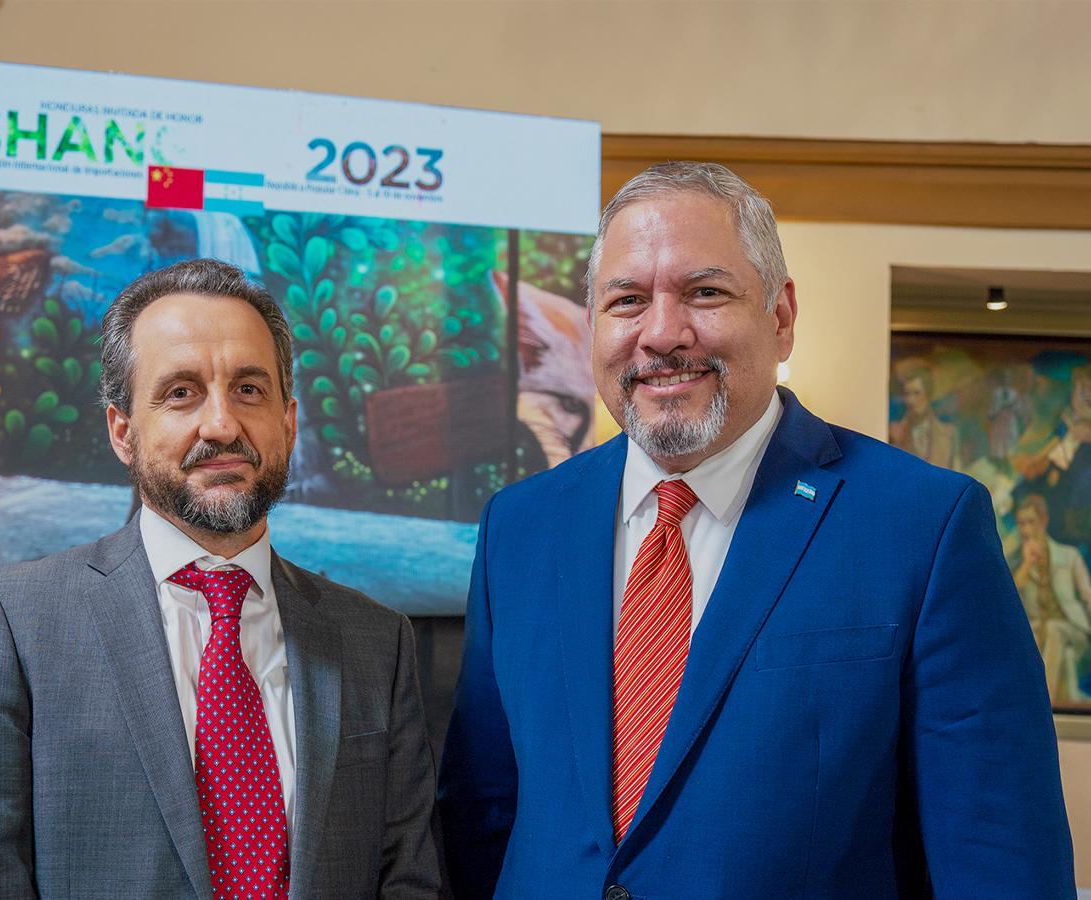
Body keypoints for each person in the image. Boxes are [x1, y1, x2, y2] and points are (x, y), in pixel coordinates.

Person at [438, 163, 1074, 899]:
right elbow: (483, 816)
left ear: (780, 317)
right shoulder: (519, 527)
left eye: (705, 293)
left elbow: (1000, 861)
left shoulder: (924, 527)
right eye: (627, 300)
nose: (662, 333)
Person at [0, 259, 441, 899]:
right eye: (181, 392)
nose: (221, 424)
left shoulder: (376, 643)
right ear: (123, 432)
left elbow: (408, 880)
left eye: (249, 389)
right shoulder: (15, 622)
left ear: (290, 421)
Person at [1013, 493, 1091, 703]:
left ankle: (1044, 702)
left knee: (1054, 630)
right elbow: (1010, 597)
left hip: (1072, 629)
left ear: (1044, 521)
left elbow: (1088, 596)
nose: (1027, 529)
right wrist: (1027, 565)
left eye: (1031, 522)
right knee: (1035, 636)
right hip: (1037, 629)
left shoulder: (1069, 555)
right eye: (1021, 523)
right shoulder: (1017, 561)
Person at [889, 366, 959, 468]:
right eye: (907, 394)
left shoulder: (949, 433)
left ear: (929, 394)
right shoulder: (895, 433)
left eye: (916, 393)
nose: (910, 400)